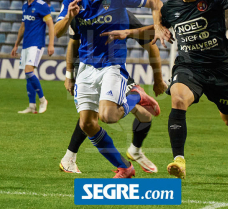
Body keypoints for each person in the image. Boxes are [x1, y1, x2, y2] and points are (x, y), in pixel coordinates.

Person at [102, 0, 228, 179]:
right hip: (189, 67)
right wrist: (128, 34)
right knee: (178, 97)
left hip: (220, 71)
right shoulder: (171, 7)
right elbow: (156, 29)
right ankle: (179, 160)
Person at [53, 0, 163, 178]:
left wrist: (158, 26)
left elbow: (156, 3)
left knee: (109, 116)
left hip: (112, 64)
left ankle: (135, 96)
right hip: (86, 66)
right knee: (87, 124)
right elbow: (56, 33)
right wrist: (68, 17)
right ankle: (125, 167)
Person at [60, 11, 168, 174]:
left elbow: (149, 43)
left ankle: (135, 150)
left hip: (112, 67)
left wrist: (158, 78)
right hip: (88, 67)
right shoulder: (81, 12)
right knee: (91, 116)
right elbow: (73, 43)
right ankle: (69, 157)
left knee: (144, 116)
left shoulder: (123, 15)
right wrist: (69, 75)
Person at [11, 0, 55, 114]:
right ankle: (31, 106)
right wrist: (16, 44)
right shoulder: (25, 6)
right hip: (26, 44)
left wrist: (51, 44)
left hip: (36, 44)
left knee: (29, 71)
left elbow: (51, 25)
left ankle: (43, 100)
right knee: (27, 75)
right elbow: (23, 26)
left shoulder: (42, 6)